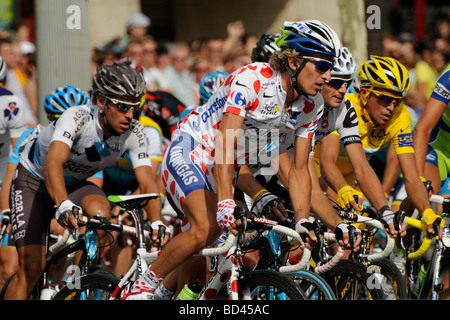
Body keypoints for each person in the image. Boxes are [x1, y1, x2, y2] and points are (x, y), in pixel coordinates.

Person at [121, 19, 342, 300]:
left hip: (229, 167)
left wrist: (302, 220)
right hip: (193, 150)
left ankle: (167, 293)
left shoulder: (313, 105)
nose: (328, 75)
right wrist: (226, 200)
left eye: (331, 67)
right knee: (207, 225)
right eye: (322, 66)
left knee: (217, 255)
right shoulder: (252, 80)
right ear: (295, 61)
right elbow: (225, 144)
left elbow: (299, 170)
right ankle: (141, 288)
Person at [3, 62, 168, 300]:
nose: (130, 115)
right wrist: (63, 204)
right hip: (34, 181)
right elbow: (53, 164)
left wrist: (156, 221)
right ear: (101, 101)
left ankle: (74, 284)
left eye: (135, 108)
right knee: (31, 268)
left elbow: (147, 184)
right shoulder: (77, 118)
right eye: (122, 107)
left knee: (102, 215)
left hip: (77, 183)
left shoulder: (135, 132)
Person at [318, 55, 442, 273]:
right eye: (384, 99)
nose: (391, 107)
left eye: (397, 100)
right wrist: (343, 190)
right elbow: (328, 163)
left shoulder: (400, 117)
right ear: (365, 93)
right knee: (336, 240)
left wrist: (427, 212)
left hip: (351, 176)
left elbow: (411, 177)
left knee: (352, 244)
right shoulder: (346, 107)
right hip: (319, 171)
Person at [0, 85, 92, 290]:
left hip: (67, 204)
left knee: (79, 232)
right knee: (11, 268)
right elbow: (11, 176)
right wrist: (6, 211)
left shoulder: (90, 143)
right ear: (51, 119)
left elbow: (95, 185)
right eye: (58, 118)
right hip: (33, 197)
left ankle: (71, 287)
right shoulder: (33, 136)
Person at [0, 55, 28, 289]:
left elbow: (18, 156)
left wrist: (7, 203)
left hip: (3, 182)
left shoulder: (10, 104)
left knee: (8, 267)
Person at [413, 63, 450, 200]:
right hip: (437, 147)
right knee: (424, 192)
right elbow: (423, 128)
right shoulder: (449, 76)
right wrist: (419, 177)